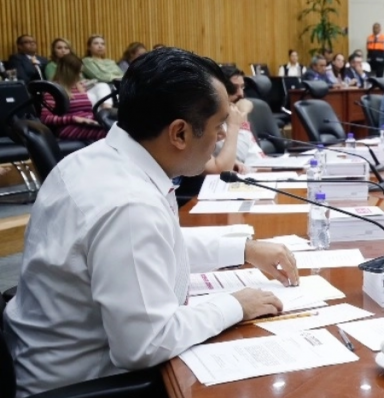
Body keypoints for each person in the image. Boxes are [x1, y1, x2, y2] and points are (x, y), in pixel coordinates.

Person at [3, 47, 296, 397]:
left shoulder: (98, 161)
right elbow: (145, 344)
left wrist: (244, 249)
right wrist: (236, 305)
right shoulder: (128, 204)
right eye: (218, 126)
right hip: (86, 386)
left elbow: (154, 247)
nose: (222, 137)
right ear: (179, 133)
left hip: (54, 363)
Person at [40, 54, 107, 142]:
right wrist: (74, 119)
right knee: (110, 133)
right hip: (68, 127)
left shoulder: (79, 86)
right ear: (70, 73)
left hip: (88, 122)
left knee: (116, 128)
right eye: (78, 72)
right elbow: (46, 118)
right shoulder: (55, 90)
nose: (80, 75)